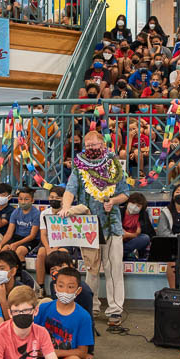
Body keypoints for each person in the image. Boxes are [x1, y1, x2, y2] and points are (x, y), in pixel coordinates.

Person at [58, 131, 129, 326]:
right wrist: (65, 208)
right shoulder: (79, 166)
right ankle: (91, 307)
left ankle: (115, 310)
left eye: (94, 145)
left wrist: (113, 201)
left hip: (112, 225)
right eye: (88, 146)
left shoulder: (113, 165)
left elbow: (125, 194)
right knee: (91, 268)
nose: (91, 149)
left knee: (114, 268)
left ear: (102, 145)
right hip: (88, 225)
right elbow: (70, 190)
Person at [33, 267, 94, 359]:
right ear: (55, 287)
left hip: (65, 358)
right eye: (61, 286)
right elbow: (32, 334)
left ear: (78, 290)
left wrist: (57, 352)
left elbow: (82, 352)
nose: (65, 291)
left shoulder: (84, 316)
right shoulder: (43, 308)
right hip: (42, 356)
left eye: (70, 287)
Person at [36, 186, 67, 295]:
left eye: (58, 198)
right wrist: (49, 248)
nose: (54, 199)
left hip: (64, 242)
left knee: (62, 253)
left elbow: (66, 234)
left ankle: (61, 285)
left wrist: (55, 248)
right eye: (52, 197)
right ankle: (41, 287)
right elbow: (43, 234)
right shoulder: (44, 213)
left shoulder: (67, 213)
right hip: (48, 242)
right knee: (41, 253)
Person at [0, 187, 40, 263]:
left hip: (31, 240)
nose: (23, 202)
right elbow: (9, 233)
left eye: (26, 199)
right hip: (17, 237)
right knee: (3, 251)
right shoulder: (15, 212)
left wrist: (16, 244)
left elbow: (32, 236)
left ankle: (21, 273)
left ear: (32, 200)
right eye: (20, 199)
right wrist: (0, 245)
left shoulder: (36, 214)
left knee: (19, 251)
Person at [120, 192, 155, 259]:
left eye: (138, 206)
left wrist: (128, 235)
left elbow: (150, 234)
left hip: (134, 242)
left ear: (141, 208)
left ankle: (124, 252)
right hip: (119, 241)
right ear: (128, 202)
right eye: (133, 203)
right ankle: (128, 253)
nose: (134, 207)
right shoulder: (119, 212)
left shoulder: (143, 215)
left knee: (145, 238)